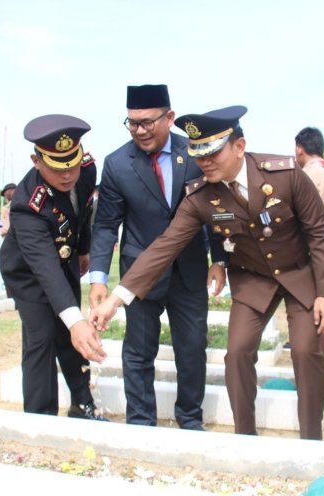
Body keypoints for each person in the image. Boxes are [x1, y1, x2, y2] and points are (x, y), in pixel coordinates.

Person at [89, 106, 324, 440]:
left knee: (307, 351)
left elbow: (319, 231)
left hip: (299, 274)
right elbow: (164, 247)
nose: (204, 162)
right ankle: (244, 437)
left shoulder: (286, 173)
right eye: (198, 155)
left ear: (238, 146)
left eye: (212, 153)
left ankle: (311, 441)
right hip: (253, 279)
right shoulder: (201, 196)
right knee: (236, 353)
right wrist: (116, 299)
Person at [89, 84, 226, 430]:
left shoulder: (194, 153)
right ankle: (140, 422)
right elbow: (106, 225)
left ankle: (190, 420)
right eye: (132, 123)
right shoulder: (118, 163)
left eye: (148, 122)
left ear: (169, 117)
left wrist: (219, 259)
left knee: (192, 348)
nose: (140, 130)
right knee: (138, 351)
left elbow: (217, 209)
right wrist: (98, 278)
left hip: (189, 269)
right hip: (141, 273)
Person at [0, 114, 107, 421]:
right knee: (43, 337)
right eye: (58, 168)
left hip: (65, 261)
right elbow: (44, 267)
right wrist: (75, 319)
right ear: (36, 160)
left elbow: (84, 210)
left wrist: (83, 249)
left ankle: (83, 405)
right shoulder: (27, 204)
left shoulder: (86, 169)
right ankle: (39, 419)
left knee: (72, 338)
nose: (67, 175)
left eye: (72, 164)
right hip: (29, 274)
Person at [291, 127, 324, 366]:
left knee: (313, 310)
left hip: (310, 248)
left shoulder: (309, 175)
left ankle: (315, 366)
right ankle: (320, 363)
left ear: (299, 149)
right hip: (323, 246)